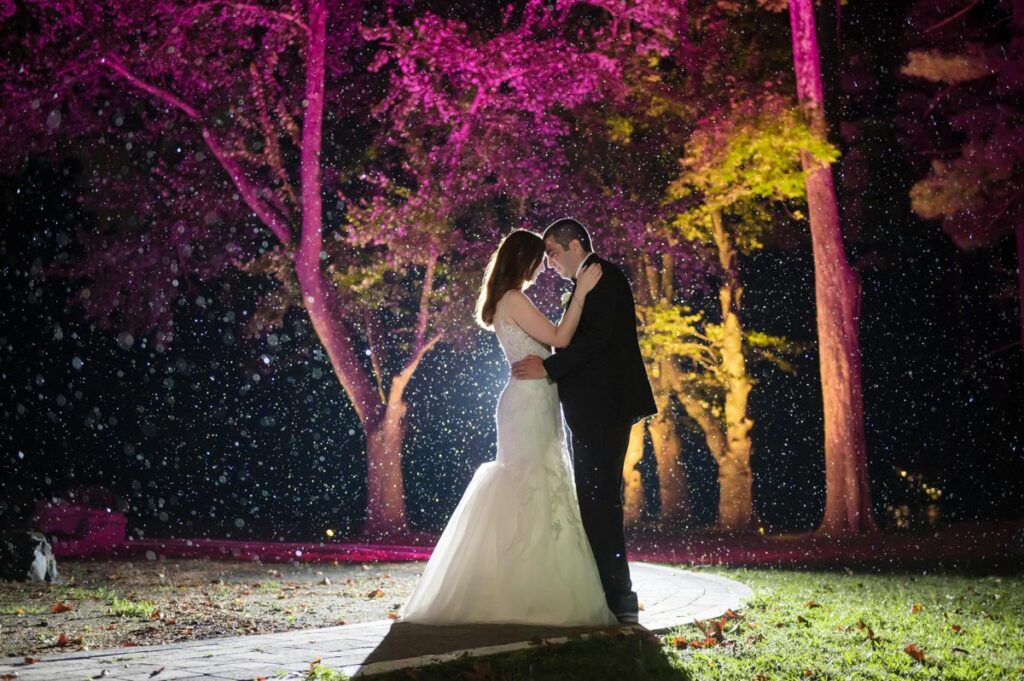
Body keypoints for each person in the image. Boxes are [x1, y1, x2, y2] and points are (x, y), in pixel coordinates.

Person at [400, 229, 616, 626]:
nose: (543, 267)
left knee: (535, 486)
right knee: (534, 485)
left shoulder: (506, 300)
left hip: (532, 399)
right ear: (525, 261)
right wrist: (581, 292)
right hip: (529, 402)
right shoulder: (514, 298)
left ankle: (525, 583)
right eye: (540, 258)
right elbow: (559, 338)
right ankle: (527, 591)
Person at [511, 218, 656, 624]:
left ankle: (618, 596)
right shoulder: (589, 282)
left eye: (554, 253)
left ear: (575, 245)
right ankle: (609, 592)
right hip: (594, 408)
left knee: (600, 500)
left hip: (604, 407)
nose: (550, 264)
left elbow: (594, 342)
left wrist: (549, 368)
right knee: (595, 499)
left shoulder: (602, 278)